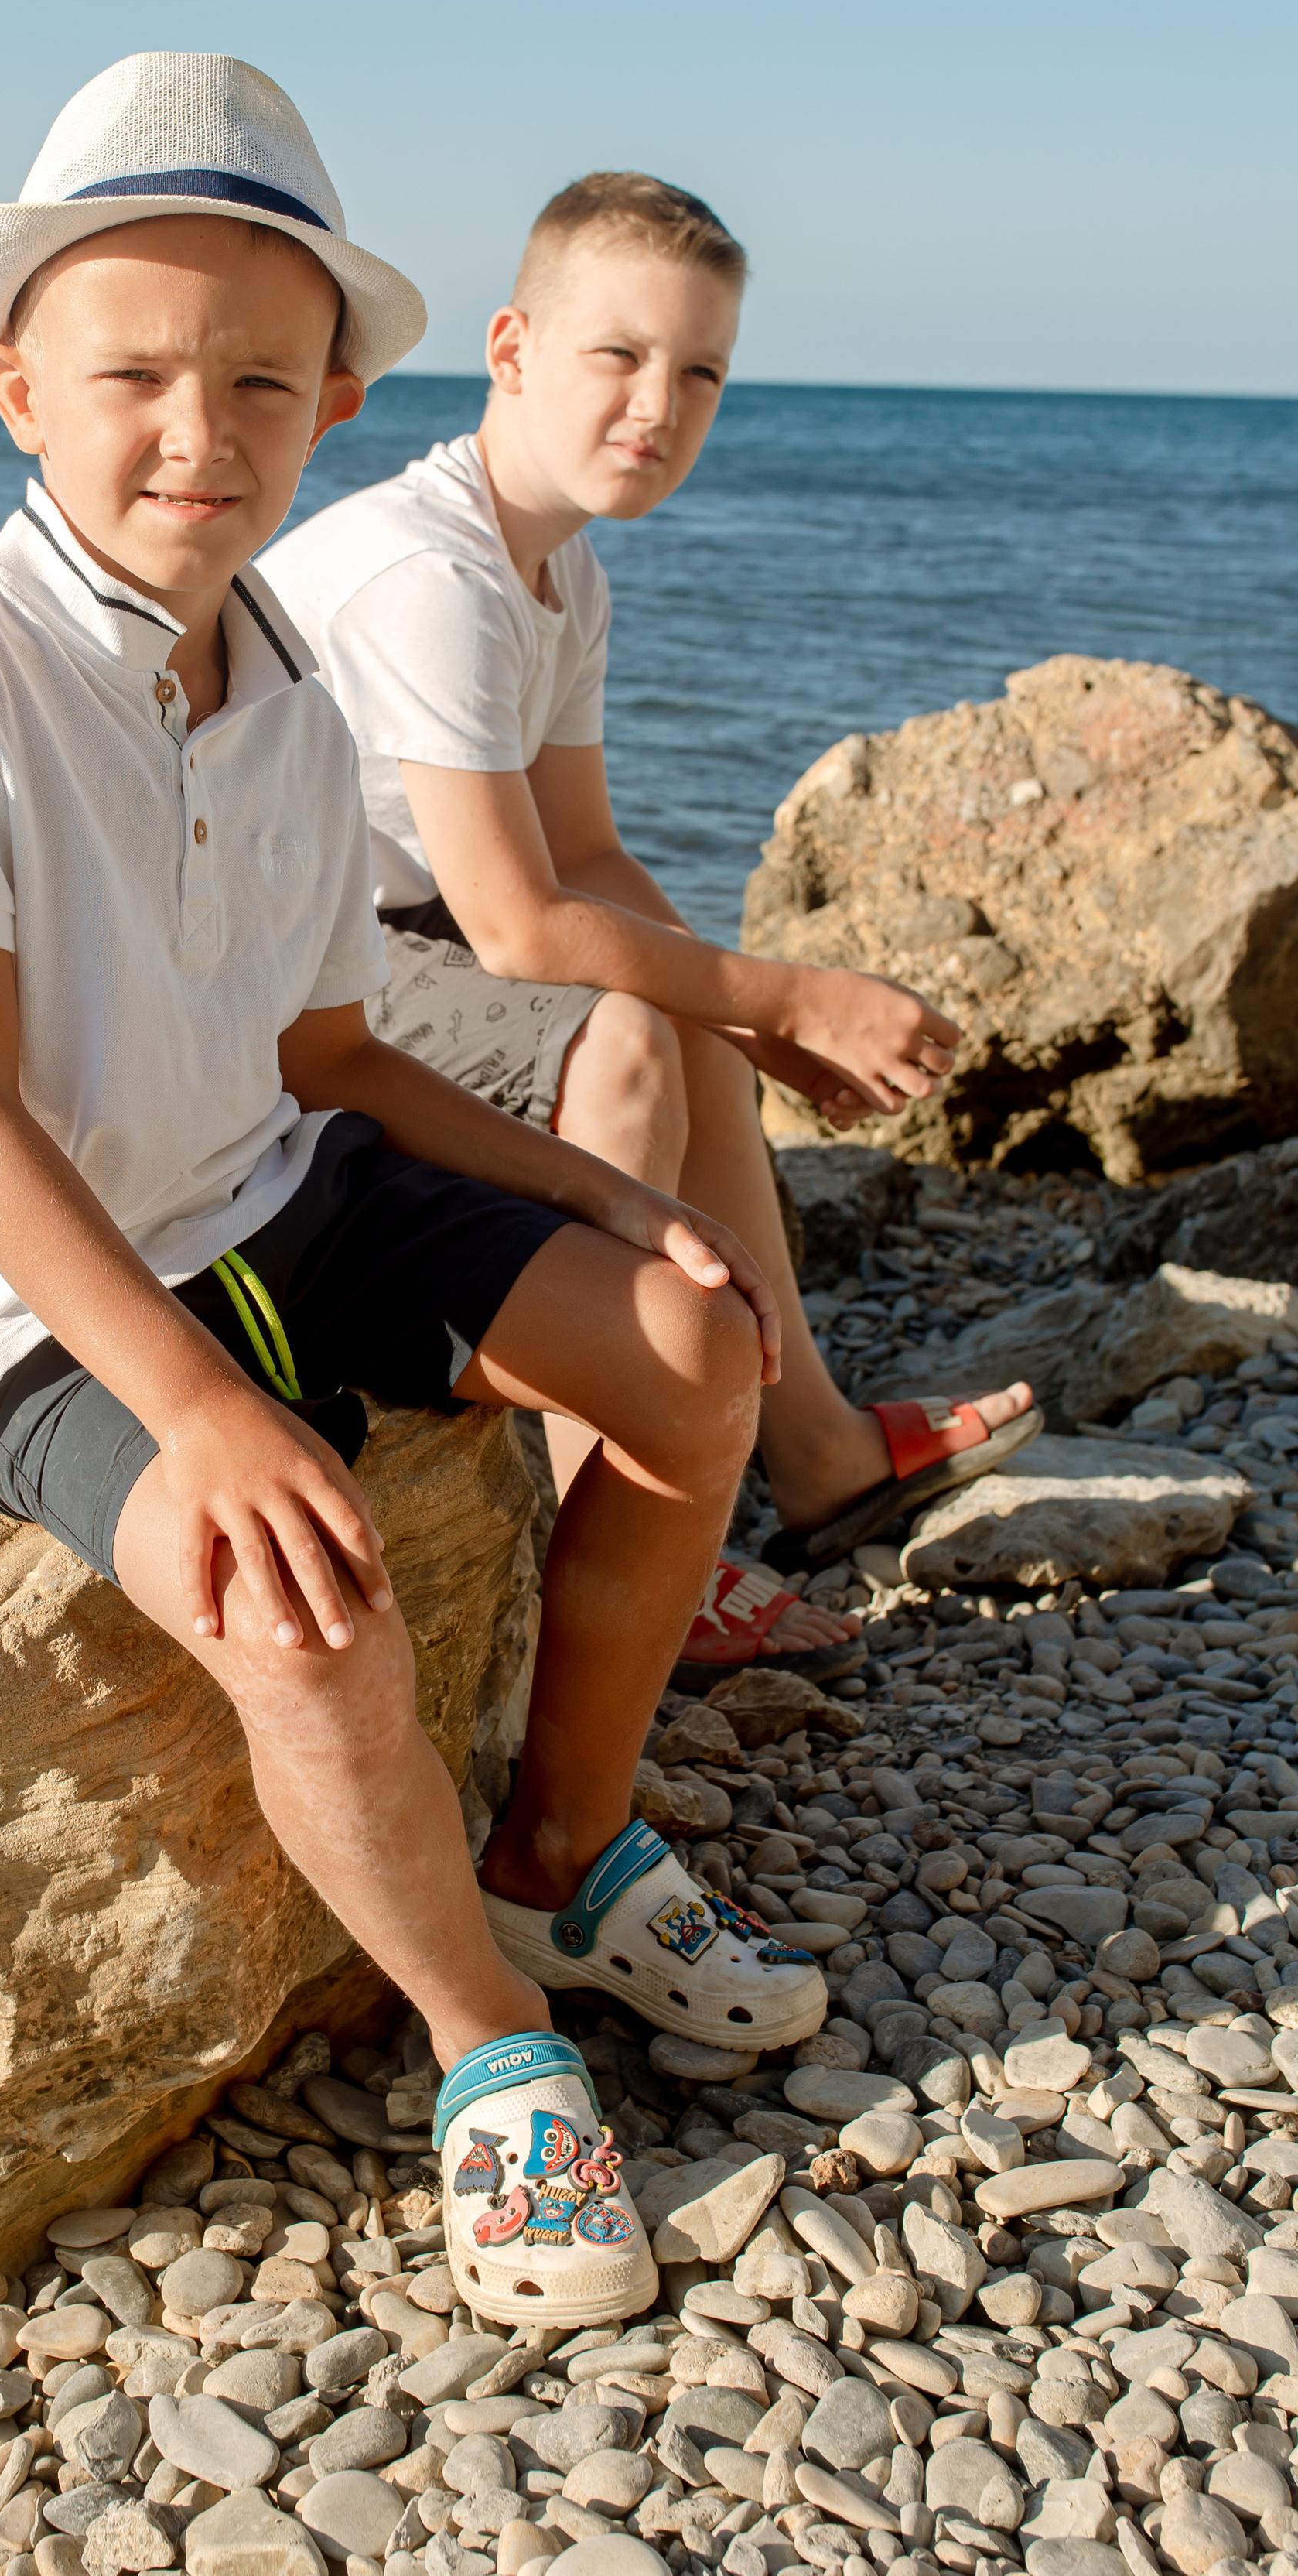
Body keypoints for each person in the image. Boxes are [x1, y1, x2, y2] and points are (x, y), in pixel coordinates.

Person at [0, 56, 828, 2330]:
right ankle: (492, 2040)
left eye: (259, 379)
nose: (200, 427)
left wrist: (603, 1192)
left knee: (693, 1352)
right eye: (135, 375)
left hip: (275, 1181)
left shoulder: (275, 674)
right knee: (295, 1594)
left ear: (338, 402)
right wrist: (196, 1408)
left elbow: (334, 1056)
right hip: (32, 1300)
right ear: (13, 391)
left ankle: (561, 1845)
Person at [261, 171, 1039, 1668]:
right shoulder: (435, 577)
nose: (657, 406)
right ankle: (604, 1559)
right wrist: (790, 994)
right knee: (620, 1048)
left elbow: (594, 859)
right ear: (511, 350)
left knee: (683, 1028)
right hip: (272, 982)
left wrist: (748, 1013)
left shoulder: (553, 567)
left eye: (700, 372)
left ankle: (807, 1450)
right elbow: (519, 932)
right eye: (618, 356)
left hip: (383, 935)